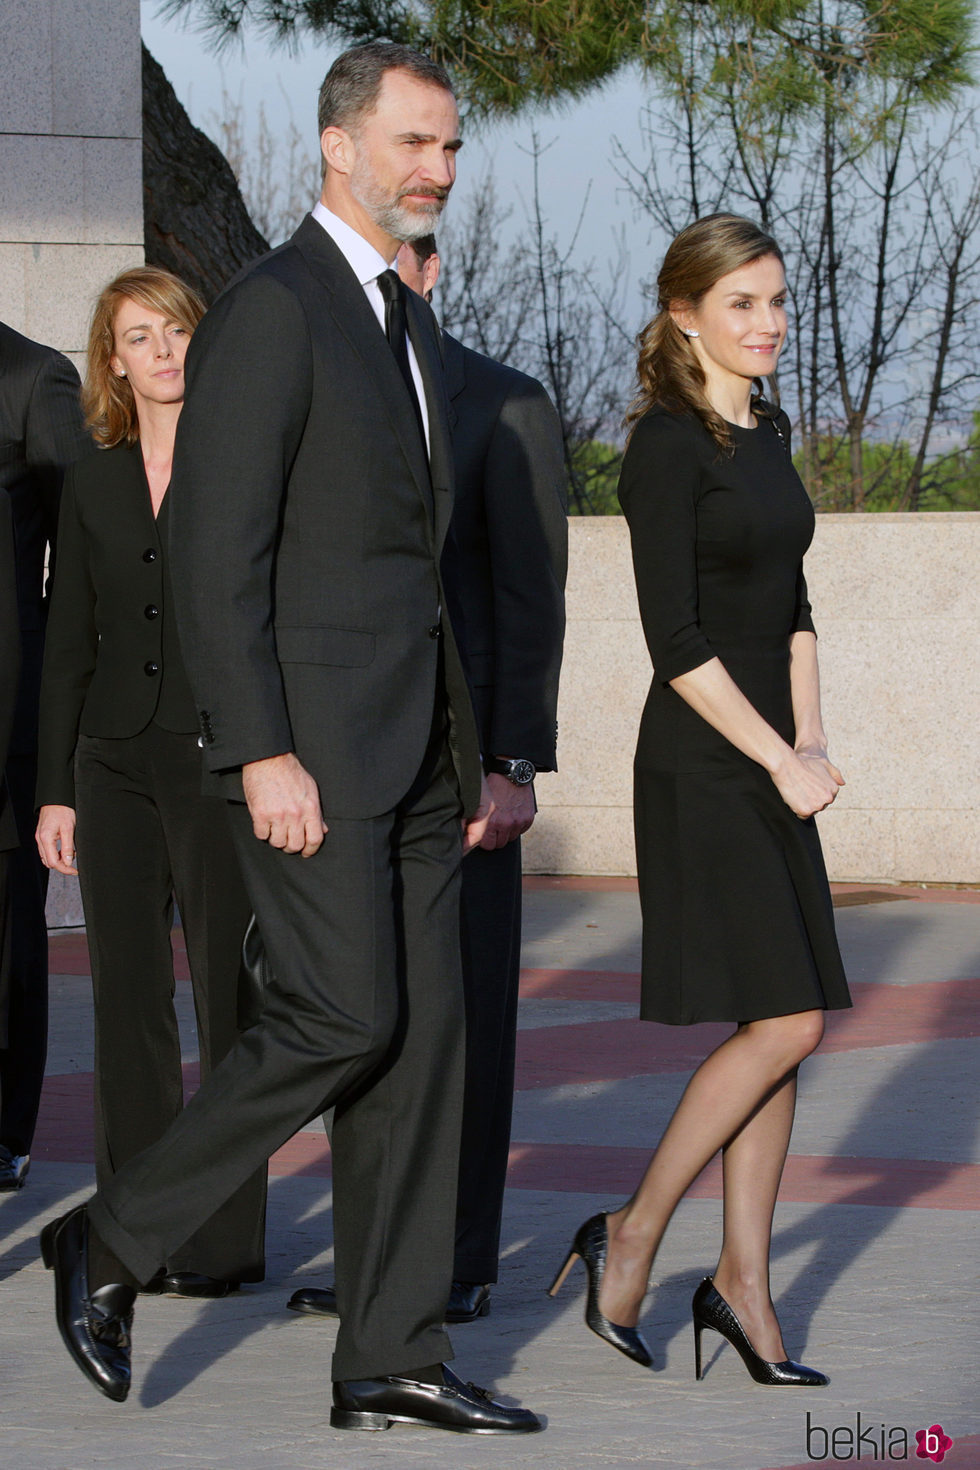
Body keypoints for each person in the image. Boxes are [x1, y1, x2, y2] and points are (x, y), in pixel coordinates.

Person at [40, 42, 541, 1436]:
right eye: (413, 143)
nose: (437, 169)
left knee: (422, 1044)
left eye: (451, 147)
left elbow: (412, 558)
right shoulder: (273, 308)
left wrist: (492, 745)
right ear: (339, 146)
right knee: (341, 1013)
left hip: (423, 752)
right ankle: (113, 1235)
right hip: (310, 755)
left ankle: (390, 1346)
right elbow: (215, 549)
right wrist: (259, 748)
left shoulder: (407, 323)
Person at [549, 214, 851, 1387]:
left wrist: (811, 736)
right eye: (742, 304)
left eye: (776, 301)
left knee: (777, 1019)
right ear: (683, 313)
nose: (767, 322)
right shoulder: (663, 448)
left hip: (776, 753)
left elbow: (792, 607)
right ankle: (629, 1231)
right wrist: (774, 757)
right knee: (786, 1021)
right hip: (703, 758)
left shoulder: (764, 431)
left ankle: (740, 1284)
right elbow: (673, 641)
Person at [288, 235, 567, 1326]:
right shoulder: (326, 398)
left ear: (433, 271)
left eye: (400, 267)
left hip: (466, 780)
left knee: (467, 1023)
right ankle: (380, 1271)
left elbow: (528, 601)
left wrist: (510, 763)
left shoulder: (504, 402)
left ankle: (455, 1263)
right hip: (358, 770)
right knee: (372, 1019)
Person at [34, 267, 267, 1296]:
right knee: (128, 1001)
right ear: (113, 362)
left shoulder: (247, 462)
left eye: (174, 330)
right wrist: (56, 787)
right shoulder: (90, 479)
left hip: (219, 758)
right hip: (113, 761)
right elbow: (67, 646)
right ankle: (130, 1235)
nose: (163, 350)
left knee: (226, 1000)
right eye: (140, 337)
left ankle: (218, 1243)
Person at [0, 322, 85, 1191]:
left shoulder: (32, 376)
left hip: (9, 712)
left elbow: (84, 552)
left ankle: (6, 1126)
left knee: (9, 930)